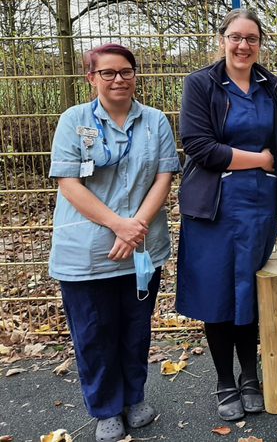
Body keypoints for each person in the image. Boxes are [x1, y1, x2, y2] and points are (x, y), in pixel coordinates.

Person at [49, 44, 180, 441]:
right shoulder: (73, 120)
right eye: (107, 73)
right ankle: (106, 408)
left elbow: (164, 177)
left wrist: (136, 226)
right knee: (93, 333)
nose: (118, 79)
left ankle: (134, 397)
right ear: (91, 78)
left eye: (125, 71)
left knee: (135, 329)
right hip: (87, 253)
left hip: (141, 249)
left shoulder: (155, 122)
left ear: (135, 75)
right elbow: (68, 182)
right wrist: (118, 226)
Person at [175, 9, 277, 421]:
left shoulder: (273, 88)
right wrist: (257, 159)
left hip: (259, 208)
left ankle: (250, 376)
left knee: (250, 293)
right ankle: (225, 381)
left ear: (260, 42)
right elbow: (199, 147)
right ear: (222, 39)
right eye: (235, 37)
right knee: (217, 294)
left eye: (251, 38)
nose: (243, 45)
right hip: (213, 208)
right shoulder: (201, 84)